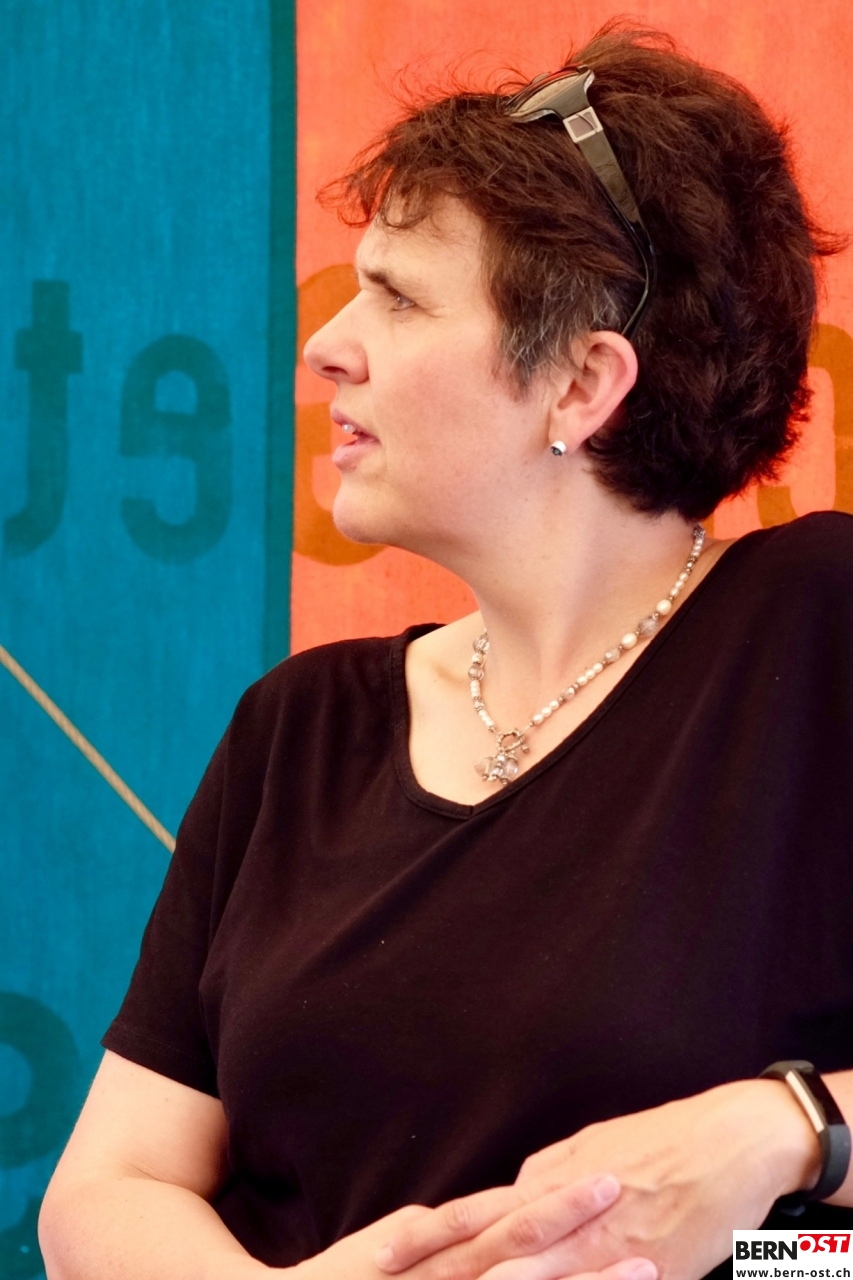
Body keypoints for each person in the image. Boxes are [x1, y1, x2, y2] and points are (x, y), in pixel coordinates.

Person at [39, 20, 853, 1280]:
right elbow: (106, 1190)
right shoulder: (300, 724)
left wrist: (788, 1132)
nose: (324, 344)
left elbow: (816, 1253)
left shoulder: (817, 629)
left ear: (581, 383)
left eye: (400, 296)